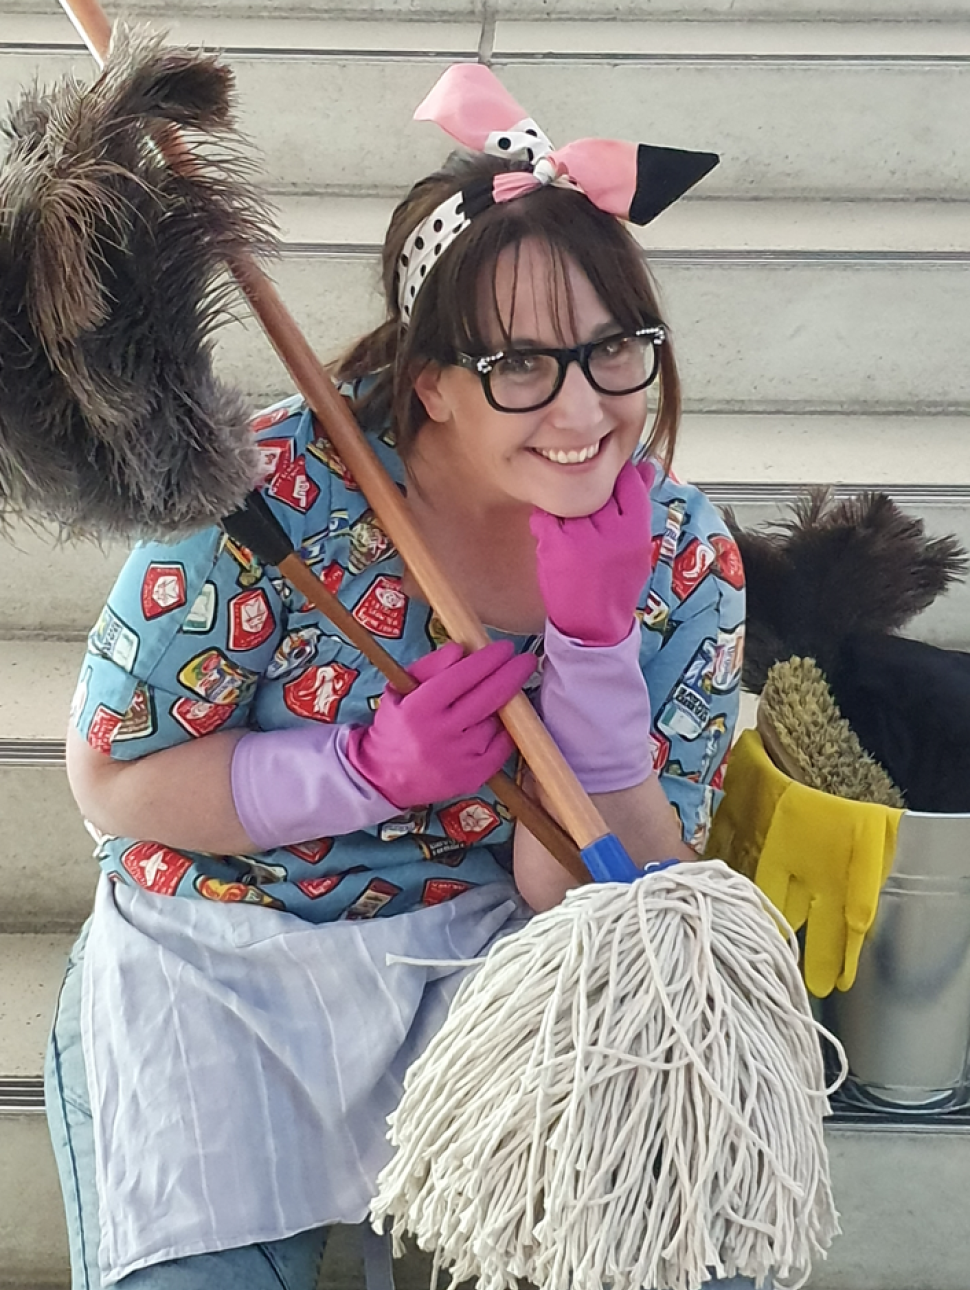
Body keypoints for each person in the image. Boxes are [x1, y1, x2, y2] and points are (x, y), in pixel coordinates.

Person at [45, 63, 746, 1290]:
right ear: (429, 381)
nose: (583, 407)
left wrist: (591, 655)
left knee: (663, 1258)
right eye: (520, 366)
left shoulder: (678, 555)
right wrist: (358, 771)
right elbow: (113, 781)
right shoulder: (265, 495)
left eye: (612, 351)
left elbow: (586, 886)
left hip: (490, 950)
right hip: (221, 951)